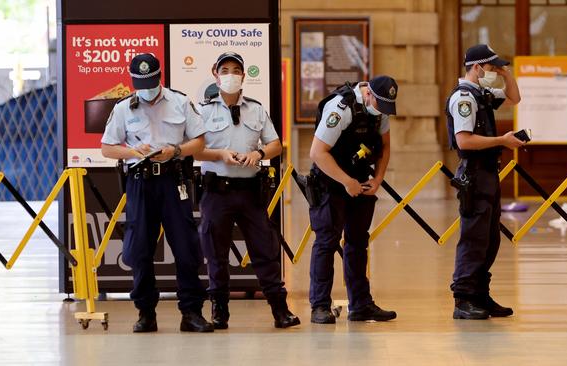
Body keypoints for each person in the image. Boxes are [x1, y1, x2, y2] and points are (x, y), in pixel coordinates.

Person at [101, 53, 214, 333]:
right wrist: (131, 152)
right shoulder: (124, 107)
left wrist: (174, 151)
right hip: (140, 183)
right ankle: (146, 312)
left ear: (160, 77)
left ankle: (191, 312)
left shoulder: (180, 101)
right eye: (141, 83)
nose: (147, 88)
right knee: (139, 249)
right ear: (133, 81)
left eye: (151, 82)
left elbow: (199, 141)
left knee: (186, 248)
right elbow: (107, 147)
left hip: (173, 181)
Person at [195, 51, 300, 329]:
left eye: (236, 70)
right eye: (225, 69)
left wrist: (260, 153)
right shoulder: (202, 111)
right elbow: (193, 151)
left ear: (244, 75)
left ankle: (280, 309)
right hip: (217, 191)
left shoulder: (256, 109)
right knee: (216, 253)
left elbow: (275, 144)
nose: (230, 75)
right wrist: (219, 155)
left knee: (264, 250)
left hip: (251, 191)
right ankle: (219, 310)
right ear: (216, 74)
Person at [307, 76, 398, 324]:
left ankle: (360, 305)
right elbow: (317, 152)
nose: (384, 112)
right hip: (330, 181)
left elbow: (385, 147)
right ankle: (320, 306)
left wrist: (377, 179)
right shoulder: (341, 107)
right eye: (381, 106)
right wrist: (346, 182)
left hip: (359, 182)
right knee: (326, 241)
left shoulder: (381, 109)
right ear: (368, 95)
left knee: (358, 242)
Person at [446, 44, 523, 320]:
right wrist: (502, 140)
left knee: (489, 239)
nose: (494, 72)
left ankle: (480, 293)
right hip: (475, 174)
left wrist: (506, 73)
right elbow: (464, 140)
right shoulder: (464, 98)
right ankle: (463, 298)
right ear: (477, 67)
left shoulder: (482, 93)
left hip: (488, 172)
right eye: (490, 67)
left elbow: (515, 98)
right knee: (474, 238)